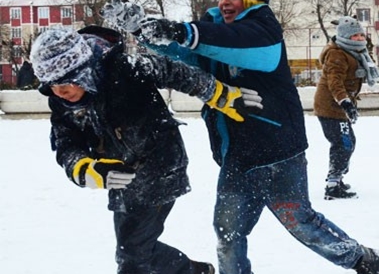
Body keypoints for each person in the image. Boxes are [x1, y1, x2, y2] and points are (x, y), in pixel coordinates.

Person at [103, 0, 379, 274]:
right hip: (238, 157)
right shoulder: (215, 33)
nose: (225, 2)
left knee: (301, 223)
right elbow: (187, 52)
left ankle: (363, 258)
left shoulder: (263, 32)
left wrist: (183, 30)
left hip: (278, 154)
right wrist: (144, 30)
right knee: (228, 234)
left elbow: (231, 43)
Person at [30, 25, 264, 274]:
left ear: (82, 70)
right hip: (119, 175)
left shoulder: (125, 67)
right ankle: (195, 271)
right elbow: (66, 142)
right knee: (132, 249)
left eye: (66, 81)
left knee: (132, 256)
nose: (59, 91)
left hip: (158, 166)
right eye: (52, 85)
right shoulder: (61, 100)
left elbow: (177, 73)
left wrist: (220, 95)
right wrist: (85, 169)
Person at [313, 16, 379, 200]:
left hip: (339, 106)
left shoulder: (356, 52)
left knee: (348, 142)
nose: (360, 38)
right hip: (330, 107)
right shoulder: (337, 54)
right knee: (344, 144)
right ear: (345, 37)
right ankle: (332, 185)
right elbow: (335, 82)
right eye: (355, 36)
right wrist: (346, 103)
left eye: (361, 34)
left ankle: (338, 178)